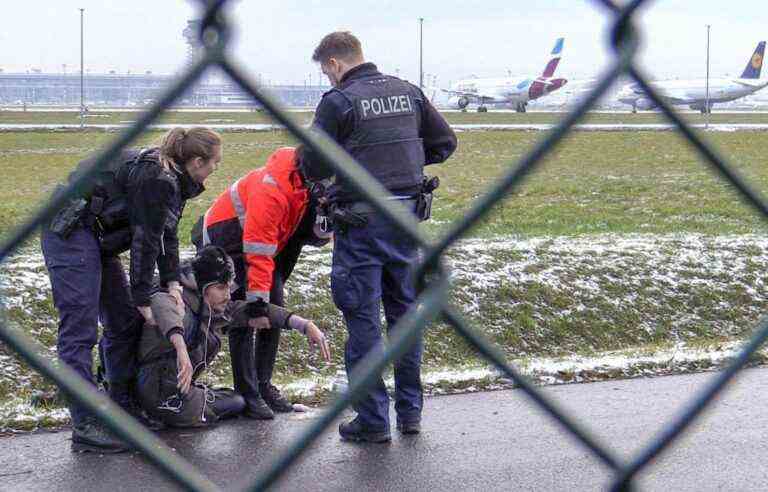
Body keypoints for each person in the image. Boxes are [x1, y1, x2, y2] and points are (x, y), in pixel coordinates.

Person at [308, 31, 457, 442]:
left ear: (336, 64)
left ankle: (373, 421)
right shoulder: (408, 92)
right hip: (407, 220)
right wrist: (406, 162)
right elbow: (445, 143)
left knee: (363, 322)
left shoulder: (340, 102)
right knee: (405, 318)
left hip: (360, 224)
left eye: (326, 72)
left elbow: (311, 160)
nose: (328, 79)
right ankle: (410, 413)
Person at [41, 127, 222, 453]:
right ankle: (86, 424)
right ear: (196, 161)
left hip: (97, 238)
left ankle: (120, 405)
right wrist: (143, 298)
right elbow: (144, 243)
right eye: (214, 163)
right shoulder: (157, 178)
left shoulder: (174, 180)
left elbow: (166, 234)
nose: (215, 170)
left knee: (123, 321)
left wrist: (172, 282)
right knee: (79, 331)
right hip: (69, 231)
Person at [196, 145, 331, 419]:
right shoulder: (272, 189)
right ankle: (247, 391)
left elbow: (310, 237)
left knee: (275, 307)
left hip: (264, 245)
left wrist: (325, 214)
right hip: (227, 239)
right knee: (248, 314)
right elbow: (257, 251)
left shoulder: (304, 182)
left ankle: (263, 384)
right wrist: (258, 306)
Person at [136, 245, 330, 428]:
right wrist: (179, 347)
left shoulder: (210, 308)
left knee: (236, 401)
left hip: (177, 389)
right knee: (225, 406)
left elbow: (250, 310)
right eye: (221, 288)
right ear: (203, 288)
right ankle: (157, 413)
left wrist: (304, 324)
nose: (228, 294)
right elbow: (163, 305)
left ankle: (186, 404)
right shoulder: (178, 302)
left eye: (229, 287)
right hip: (157, 392)